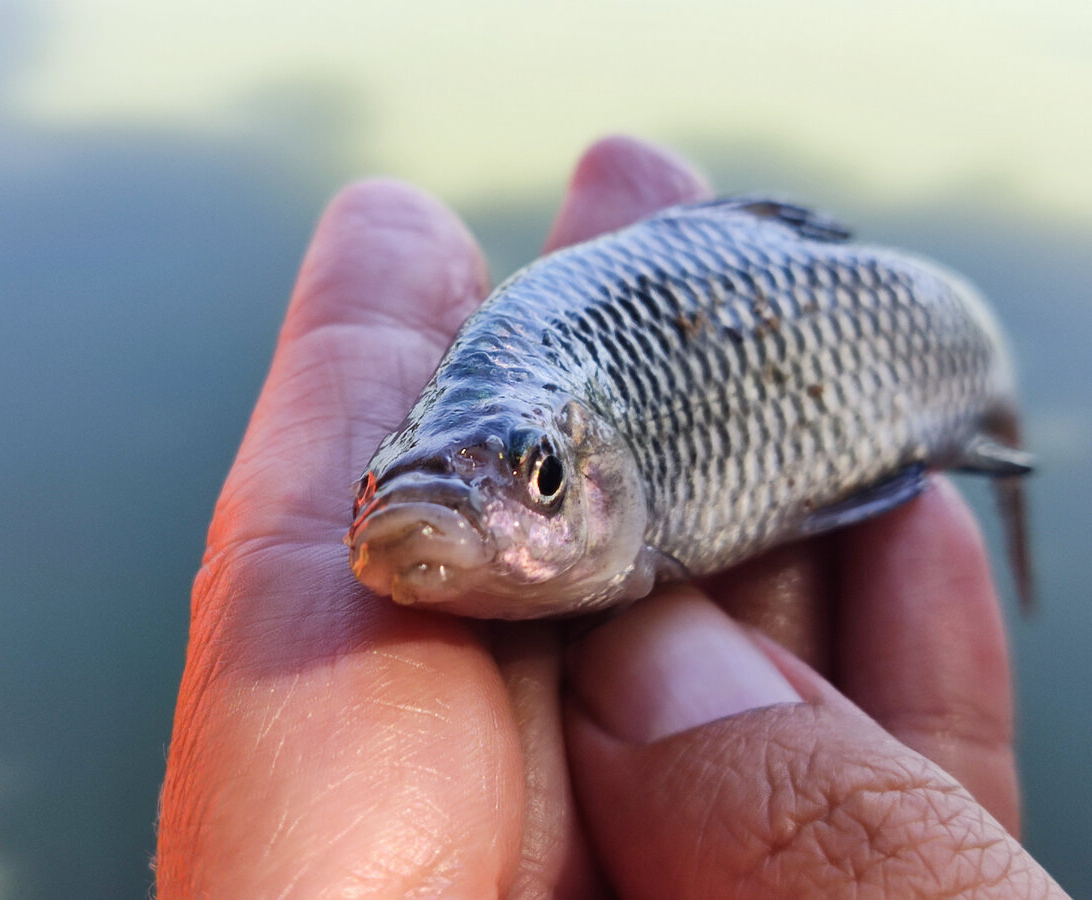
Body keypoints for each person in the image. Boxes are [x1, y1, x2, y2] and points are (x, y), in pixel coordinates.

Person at [155, 137, 1068, 897]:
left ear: (591, 461)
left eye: (542, 477)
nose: (423, 524)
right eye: (375, 489)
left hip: (929, 332)